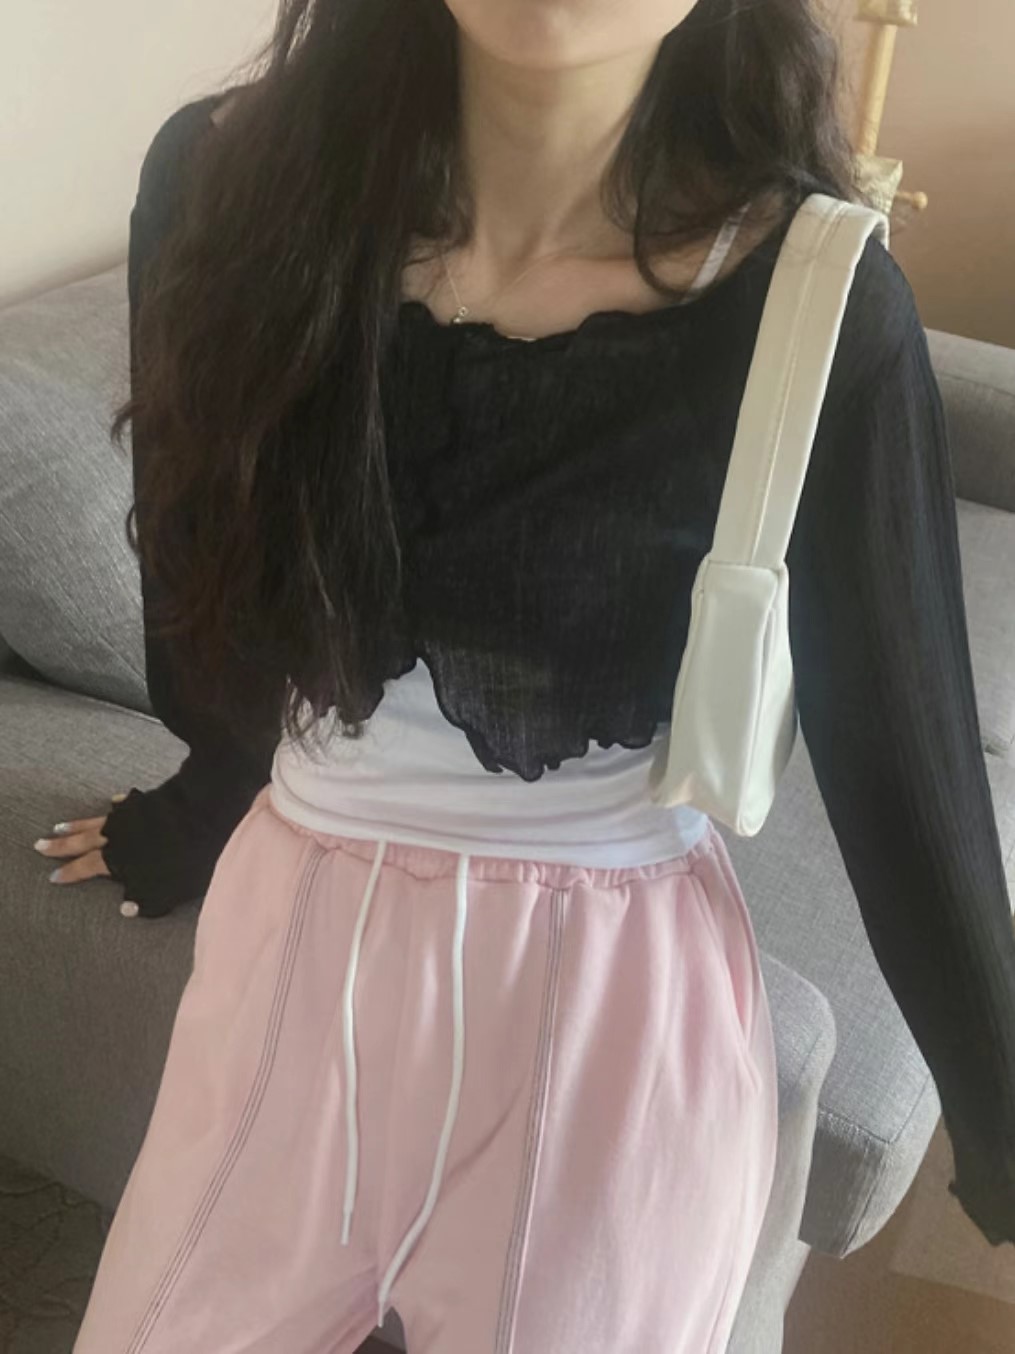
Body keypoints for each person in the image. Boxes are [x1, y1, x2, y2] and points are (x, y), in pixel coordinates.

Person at [50, 1, 1015, 1350]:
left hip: (608, 1017)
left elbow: (908, 772)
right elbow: (210, 632)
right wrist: (196, 811)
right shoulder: (219, 193)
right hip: (287, 954)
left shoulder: (816, 300)